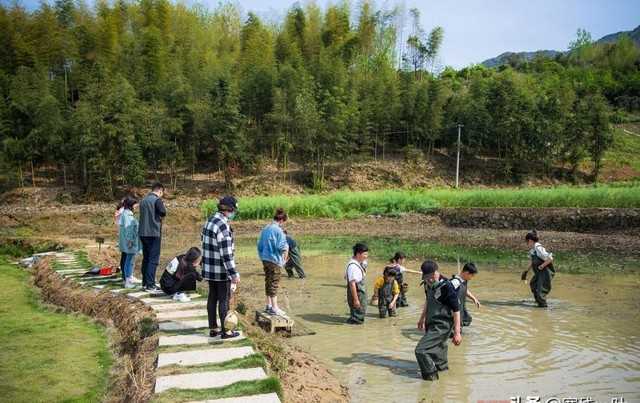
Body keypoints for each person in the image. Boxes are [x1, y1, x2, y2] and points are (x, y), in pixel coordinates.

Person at [415, 260, 462, 381]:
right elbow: (428, 301)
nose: (429, 280)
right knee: (438, 354)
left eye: (431, 276)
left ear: (436, 272)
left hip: (442, 326)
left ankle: (431, 378)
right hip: (431, 323)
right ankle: (441, 382)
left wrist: (457, 333)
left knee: (420, 350)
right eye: (426, 277)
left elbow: (456, 310)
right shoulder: (427, 284)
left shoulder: (447, 287)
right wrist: (422, 319)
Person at [202, 196, 240, 339]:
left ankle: (213, 328)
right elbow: (226, 254)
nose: (233, 213)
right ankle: (226, 331)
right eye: (234, 210)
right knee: (224, 300)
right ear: (229, 210)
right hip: (221, 270)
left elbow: (203, 242)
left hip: (209, 269)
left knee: (212, 297)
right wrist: (234, 274)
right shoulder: (223, 225)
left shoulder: (210, 220)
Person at [257, 208, 289, 316]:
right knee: (274, 283)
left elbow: (259, 245)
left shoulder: (266, 228)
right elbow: (281, 246)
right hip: (275, 260)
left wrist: (262, 256)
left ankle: (268, 305)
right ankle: (275, 307)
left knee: (268, 281)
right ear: (281, 221)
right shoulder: (279, 231)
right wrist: (284, 258)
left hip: (265, 259)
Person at [138, 182, 167, 291]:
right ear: (160, 190)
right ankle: (150, 284)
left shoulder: (143, 200)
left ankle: (145, 283)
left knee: (146, 258)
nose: (162, 195)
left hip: (142, 233)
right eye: (162, 193)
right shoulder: (157, 200)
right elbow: (163, 212)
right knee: (153, 259)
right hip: (153, 232)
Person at [523, 230, 555, 308]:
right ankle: (538, 303)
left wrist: (542, 266)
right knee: (533, 284)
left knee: (541, 291)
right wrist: (526, 271)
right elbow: (532, 262)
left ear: (530, 241)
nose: (527, 244)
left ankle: (543, 308)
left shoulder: (538, 248)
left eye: (527, 242)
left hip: (545, 273)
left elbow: (550, 258)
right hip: (539, 273)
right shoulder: (532, 250)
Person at [118, 197, 141, 289]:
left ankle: (129, 277)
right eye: (135, 204)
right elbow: (128, 230)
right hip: (130, 242)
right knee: (129, 260)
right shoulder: (127, 215)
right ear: (131, 204)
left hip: (127, 242)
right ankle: (127, 280)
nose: (137, 206)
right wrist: (130, 241)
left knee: (129, 259)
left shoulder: (126, 213)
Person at [450, 262, 481, 327]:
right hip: (452, 313)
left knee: (467, 319)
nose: (471, 278)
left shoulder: (463, 281)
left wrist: (474, 299)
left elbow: (464, 290)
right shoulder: (454, 283)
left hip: (459, 311)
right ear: (467, 273)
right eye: (472, 276)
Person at [345, 243, 369, 325]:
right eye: (365, 254)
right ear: (358, 254)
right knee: (358, 316)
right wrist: (356, 300)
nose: (366, 256)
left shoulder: (358, 262)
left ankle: (353, 321)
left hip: (360, 291)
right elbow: (352, 284)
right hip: (357, 293)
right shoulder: (353, 266)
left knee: (358, 313)